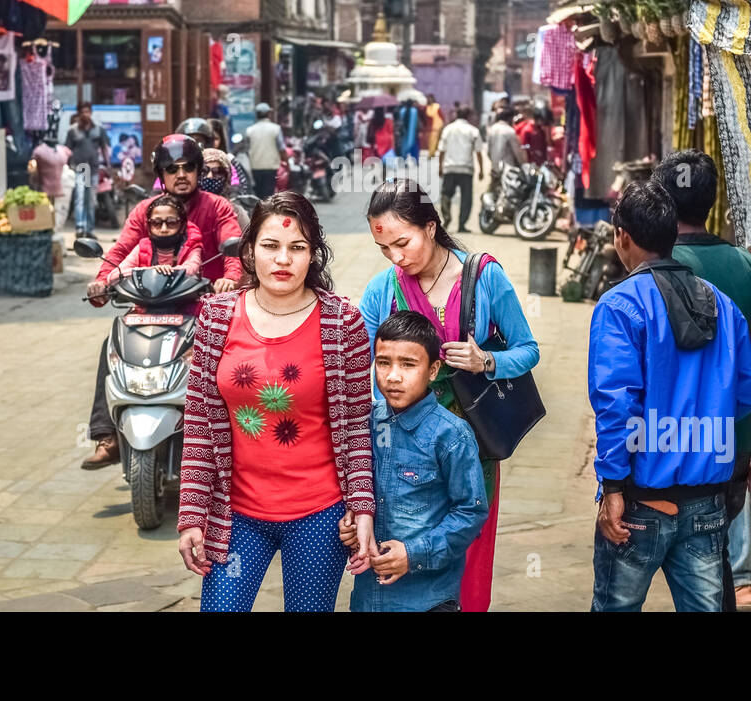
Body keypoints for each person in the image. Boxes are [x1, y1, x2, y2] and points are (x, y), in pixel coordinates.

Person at [176, 191, 375, 611]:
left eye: (297, 248)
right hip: (236, 517)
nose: (283, 259)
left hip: (319, 516)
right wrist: (191, 515)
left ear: (313, 256)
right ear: (249, 252)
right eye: (271, 246)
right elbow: (198, 423)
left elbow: (358, 427)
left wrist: (362, 508)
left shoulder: (343, 323)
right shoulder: (214, 317)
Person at [358, 179, 539, 611]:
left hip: (472, 448)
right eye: (385, 249)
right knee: (402, 550)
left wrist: (486, 362)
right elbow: (352, 357)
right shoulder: (383, 288)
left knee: (467, 548)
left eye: (403, 243)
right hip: (399, 452)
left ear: (431, 226)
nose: (397, 258)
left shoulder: (484, 277)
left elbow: (528, 351)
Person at [588, 180, 751, 612]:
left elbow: (615, 406)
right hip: (707, 502)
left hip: (638, 503)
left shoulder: (619, 305)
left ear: (622, 237)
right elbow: (745, 397)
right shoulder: (725, 306)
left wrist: (611, 487)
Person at [654, 149, 751, 612]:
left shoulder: (656, 266)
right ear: (714, 201)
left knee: (676, 566)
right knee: (716, 557)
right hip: (735, 439)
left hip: (670, 441)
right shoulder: (746, 265)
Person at [81, 134, 244, 469]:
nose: (180, 175)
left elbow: (233, 247)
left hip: (204, 308)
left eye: (188, 167)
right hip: (148, 307)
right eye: (172, 169)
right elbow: (121, 251)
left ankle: (234, 445)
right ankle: (107, 435)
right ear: (161, 174)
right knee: (111, 345)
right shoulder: (146, 210)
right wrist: (101, 283)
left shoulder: (218, 208)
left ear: (199, 171)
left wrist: (230, 278)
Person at [343, 310, 488, 611]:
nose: (393, 376)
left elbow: (470, 514)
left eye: (408, 364)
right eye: (383, 363)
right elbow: (354, 488)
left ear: (433, 370)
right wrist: (349, 521)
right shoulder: (365, 423)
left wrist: (413, 554)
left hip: (429, 599)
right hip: (368, 599)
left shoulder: (452, 434)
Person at [103, 192, 203, 281]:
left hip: (183, 301)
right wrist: (149, 271)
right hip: (145, 301)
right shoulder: (142, 247)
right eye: (156, 223)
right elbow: (113, 276)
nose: (164, 229)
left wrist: (167, 272)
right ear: (148, 226)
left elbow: (192, 269)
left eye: (171, 222)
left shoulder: (191, 246)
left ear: (182, 225)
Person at [64, 102, 110, 241]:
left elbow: (104, 148)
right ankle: (80, 227)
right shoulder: (73, 131)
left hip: (93, 169)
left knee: (91, 200)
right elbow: (67, 150)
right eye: (83, 112)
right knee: (79, 198)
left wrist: (108, 165)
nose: (86, 114)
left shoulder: (98, 130)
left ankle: (89, 229)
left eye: (87, 111)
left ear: (91, 113)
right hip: (79, 168)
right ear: (79, 114)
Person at [436, 106, 485, 233]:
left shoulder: (448, 129)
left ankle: (447, 219)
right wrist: (481, 170)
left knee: (446, 194)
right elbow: (479, 152)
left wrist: (440, 166)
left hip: (450, 168)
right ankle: (462, 224)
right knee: (466, 198)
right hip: (466, 169)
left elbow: (441, 150)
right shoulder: (473, 130)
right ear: (468, 116)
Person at [31, 137, 73, 231]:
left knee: (57, 212)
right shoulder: (39, 151)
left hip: (58, 186)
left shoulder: (63, 151)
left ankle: (53, 230)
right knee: (44, 212)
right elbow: (33, 170)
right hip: (44, 187)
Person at [245, 102, 284, 198]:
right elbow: (282, 148)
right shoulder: (276, 129)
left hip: (255, 166)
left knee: (258, 193)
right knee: (268, 193)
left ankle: (260, 211)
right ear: (268, 114)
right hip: (271, 167)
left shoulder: (250, 130)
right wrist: (286, 162)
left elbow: (246, 149)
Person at [485, 107, 525, 184]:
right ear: (510, 118)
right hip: (508, 171)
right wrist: (523, 165)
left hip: (495, 168)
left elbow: (488, 151)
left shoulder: (492, 129)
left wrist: (494, 162)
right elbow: (517, 153)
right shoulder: (510, 131)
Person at [425, 93, 445, 159]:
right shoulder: (426, 107)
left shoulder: (436, 106)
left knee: (433, 140)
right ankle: (432, 152)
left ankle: (431, 154)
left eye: (430, 98)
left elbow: (441, 115)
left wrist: (442, 124)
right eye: (428, 98)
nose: (429, 100)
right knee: (430, 140)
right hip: (429, 127)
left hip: (436, 126)